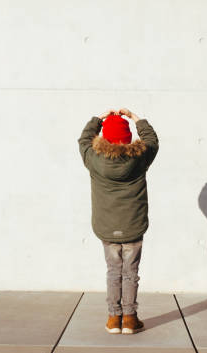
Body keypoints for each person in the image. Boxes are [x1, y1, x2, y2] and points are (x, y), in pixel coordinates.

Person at [78, 108, 159, 334]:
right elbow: (152, 140)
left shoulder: (93, 159)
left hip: (106, 226)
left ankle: (114, 318)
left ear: (104, 137)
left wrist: (98, 119)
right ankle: (130, 319)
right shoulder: (140, 157)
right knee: (130, 272)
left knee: (113, 271)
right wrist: (135, 118)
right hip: (133, 226)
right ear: (128, 138)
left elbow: (84, 140)